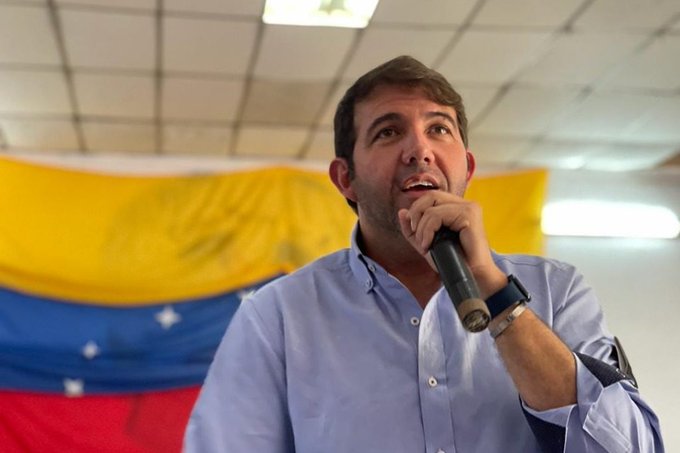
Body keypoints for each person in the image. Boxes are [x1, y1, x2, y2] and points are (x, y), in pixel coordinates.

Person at [184, 56, 664, 452]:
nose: (420, 150)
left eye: (439, 129)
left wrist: (496, 293)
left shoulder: (557, 291)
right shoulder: (278, 316)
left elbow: (629, 448)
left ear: (467, 168)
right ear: (345, 179)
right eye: (388, 132)